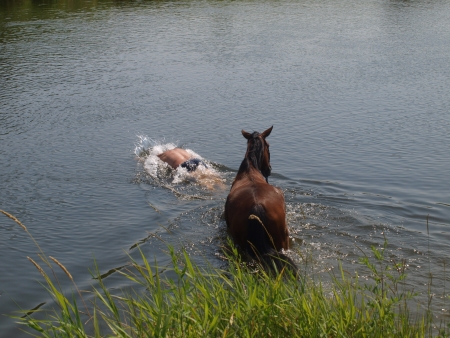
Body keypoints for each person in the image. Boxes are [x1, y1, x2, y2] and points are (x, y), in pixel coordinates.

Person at [156, 147, 224, 190]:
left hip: (184, 164)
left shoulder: (162, 155)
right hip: (197, 160)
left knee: (203, 181)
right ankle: (223, 188)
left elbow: (156, 161)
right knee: (213, 177)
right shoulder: (178, 149)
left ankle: (213, 192)